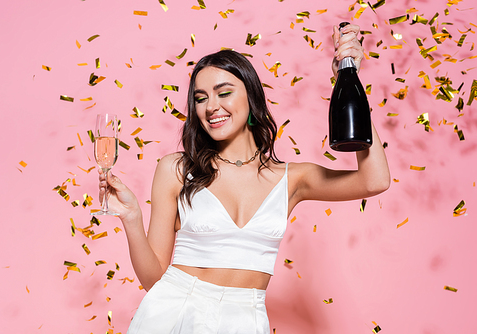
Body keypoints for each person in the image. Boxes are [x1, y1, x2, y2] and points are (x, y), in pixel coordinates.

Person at [97, 23, 390, 334]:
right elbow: (154, 279)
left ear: (251, 97)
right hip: (171, 313)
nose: (211, 107)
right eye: (200, 98)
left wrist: (348, 80)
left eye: (224, 93)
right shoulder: (177, 169)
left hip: (245, 320)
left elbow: (374, 181)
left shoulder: (292, 178)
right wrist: (131, 217)